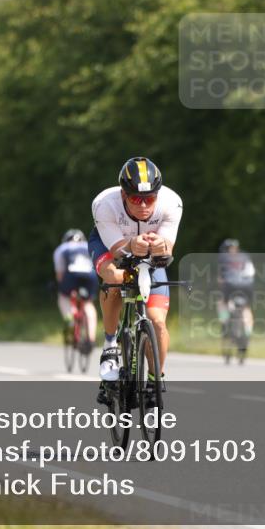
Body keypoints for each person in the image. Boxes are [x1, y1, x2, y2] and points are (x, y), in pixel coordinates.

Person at [89, 157, 182, 404]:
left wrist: (162, 247)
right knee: (115, 277)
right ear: (123, 194)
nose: (143, 205)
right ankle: (110, 344)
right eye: (135, 199)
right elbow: (118, 250)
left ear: (158, 195)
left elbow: (166, 251)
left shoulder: (172, 203)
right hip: (112, 244)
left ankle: (155, 377)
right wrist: (131, 245)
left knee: (157, 322)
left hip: (148, 253)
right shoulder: (104, 204)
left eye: (149, 199)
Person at [53, 228, 98, 345]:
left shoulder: (61, 249)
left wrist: (62, 287)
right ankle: (91, 338)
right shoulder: (88, 245)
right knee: (88, 303)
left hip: (70, 276)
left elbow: (60, 274)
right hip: (90, 276)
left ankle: (71, 323)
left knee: (63, 297)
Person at [217, 238, 255, 338]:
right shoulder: (245, 256)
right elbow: (251, 272)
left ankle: (224, 323)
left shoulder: (223, 257)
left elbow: (220, 279)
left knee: (222, 302)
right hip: (247, 284)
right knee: (247, 308)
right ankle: (248, 333)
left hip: (230, 284)